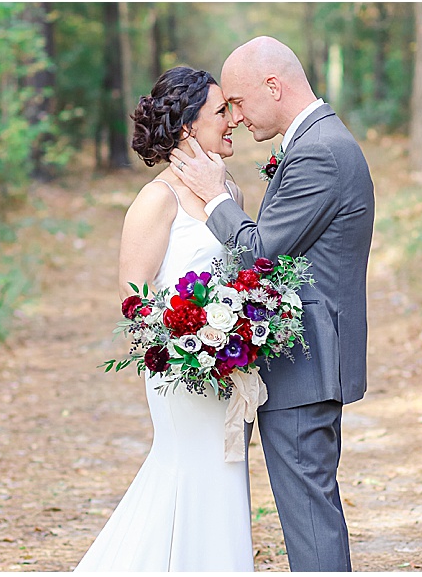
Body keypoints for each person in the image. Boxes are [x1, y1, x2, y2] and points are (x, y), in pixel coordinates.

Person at [170, 36, 375, 572]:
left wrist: (216, 196)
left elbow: (259, 252)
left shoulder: (319, 152)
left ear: (273, 86)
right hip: (304, 360)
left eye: (237, 102)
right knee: (308, 509)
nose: (234, 117)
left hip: (305, 365)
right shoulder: (316, 140)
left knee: (308, 516)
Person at [75, 66, 254, 571]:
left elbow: (242, 275)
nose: (233, 120)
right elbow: (134, 304)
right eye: (221, 111)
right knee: (187, 473)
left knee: (224, 478)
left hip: (228, 369)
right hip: (183, 371)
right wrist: (192, 343)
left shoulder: (230, 192)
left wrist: (239, 331)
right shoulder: (157, 200)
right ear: (187, 129)